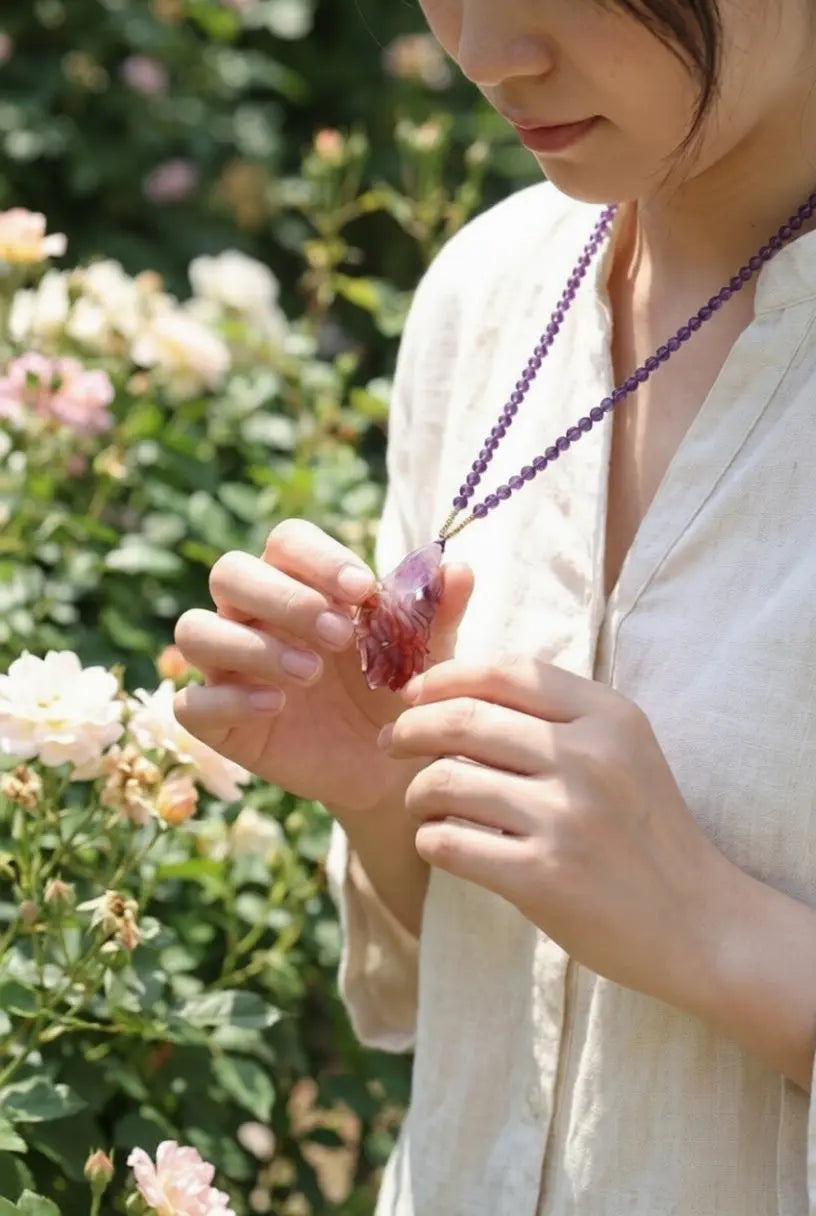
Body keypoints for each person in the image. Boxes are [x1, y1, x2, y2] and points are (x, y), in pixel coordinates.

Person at [172, 0, 816, 1211]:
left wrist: (721, 933)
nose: (482, 52)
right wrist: (382, 794)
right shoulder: (489, 290)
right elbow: (465, 990)